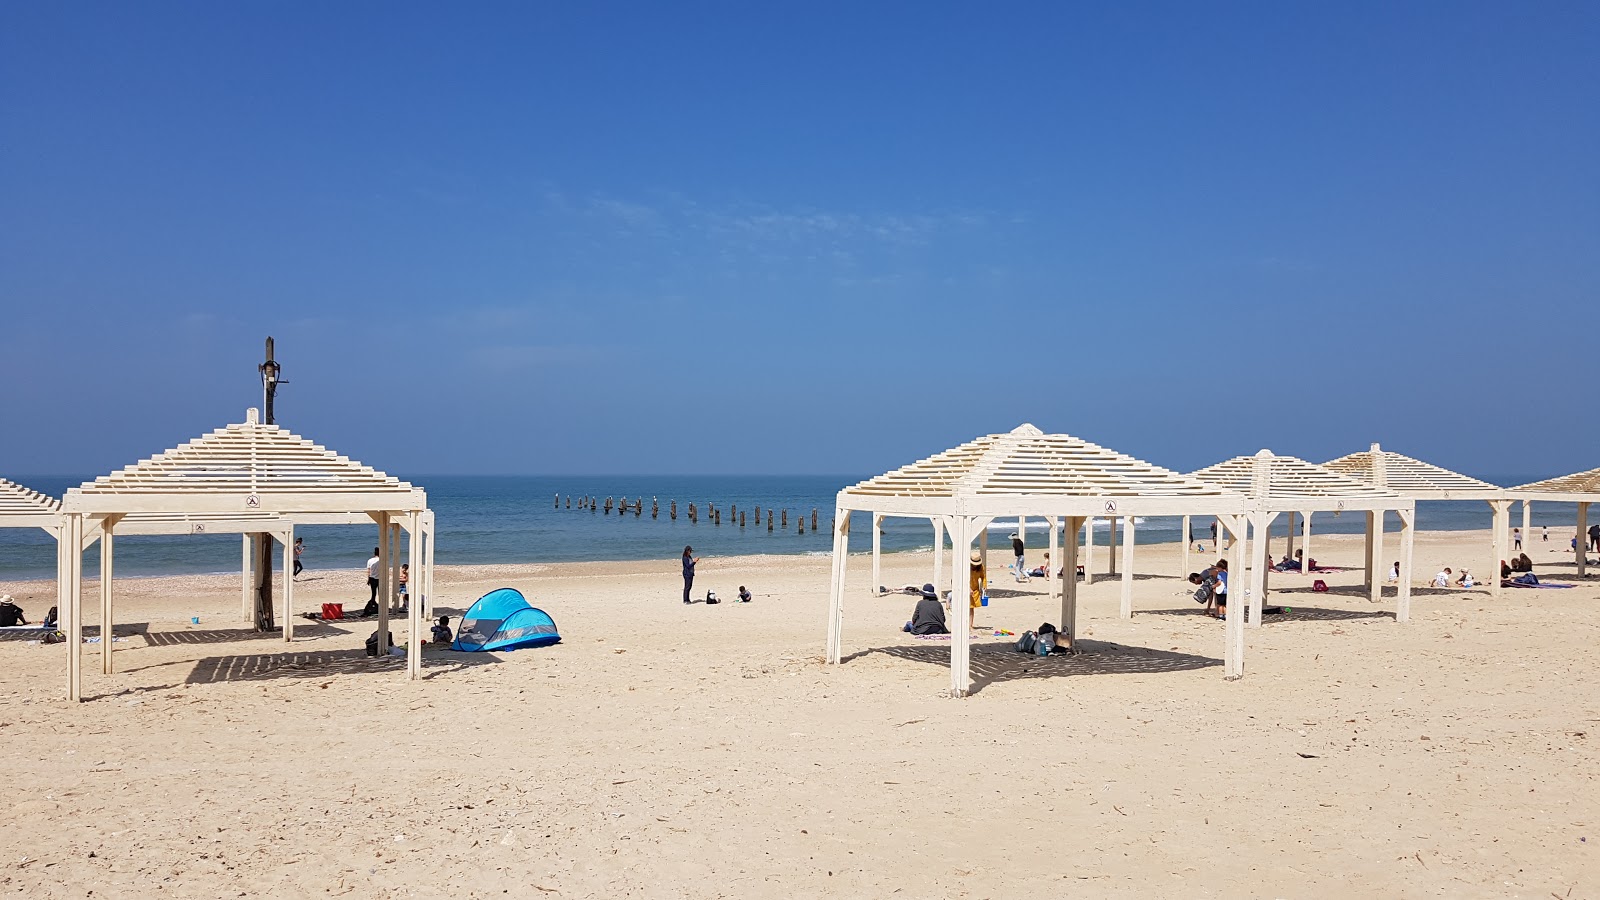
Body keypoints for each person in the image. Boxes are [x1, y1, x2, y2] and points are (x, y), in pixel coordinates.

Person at [968, 549, 985, 629]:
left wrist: (984, 586)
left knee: (971, 608)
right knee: (966, 607)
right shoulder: (966, 566)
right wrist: (968, 588)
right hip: (966, 588)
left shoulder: (981, 567)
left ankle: (970, 625)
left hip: (975, 589)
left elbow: (983, 577)